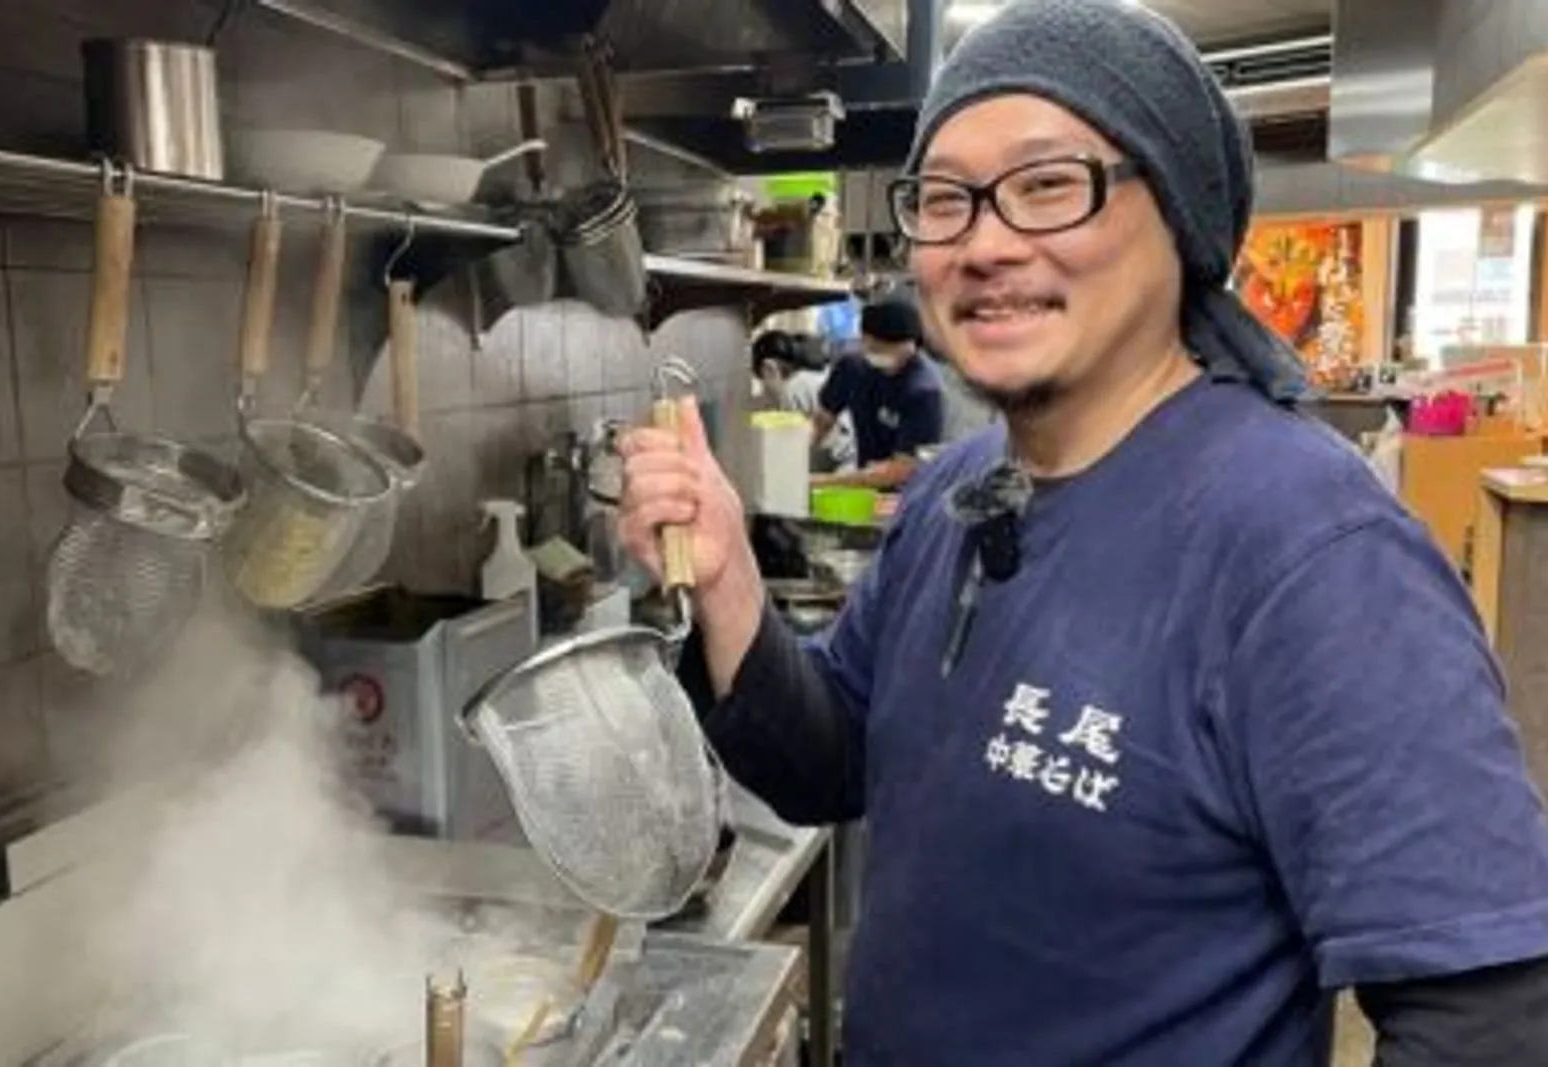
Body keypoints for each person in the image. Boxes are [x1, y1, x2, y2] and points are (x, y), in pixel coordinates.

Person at [616, 1, 1548, 1064]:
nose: (984, 243)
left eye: (1048, 185)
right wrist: (729, 571)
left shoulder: (1309, 549)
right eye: (945, 198)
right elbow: (834, 759)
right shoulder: (958, 494)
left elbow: (1489, 1022)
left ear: (1181, 217)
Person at [809, 296, 945, 490]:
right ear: (863, 340)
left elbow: (900, 470)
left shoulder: (923, 392)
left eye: (900, 351)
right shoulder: (851, 368)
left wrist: (821, 482)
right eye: (879, 348)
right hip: (865, 479)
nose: (892, 358)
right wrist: (793, 456)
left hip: (906, 493)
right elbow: (821, 421)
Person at [750, 329, 856, 472]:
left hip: (845, 463)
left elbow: (796, 447)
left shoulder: (793, 389)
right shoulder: (811, 377)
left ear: (769, 368)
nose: (765, 388)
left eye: (762, 378)